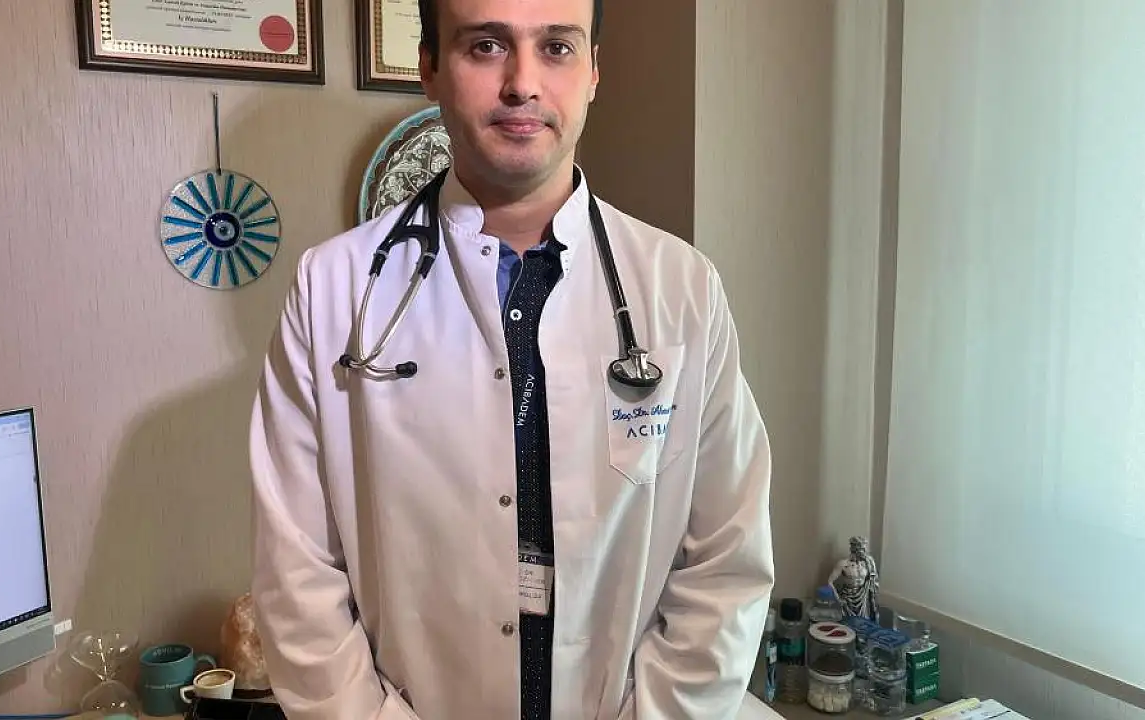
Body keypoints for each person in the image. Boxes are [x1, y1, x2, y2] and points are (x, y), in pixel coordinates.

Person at [247, 0, 775, 717]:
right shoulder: (331, 290)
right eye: (486, 46)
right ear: (429, 67)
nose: (523, 83)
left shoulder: (682, 289)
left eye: (557, 47)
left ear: (594, 71)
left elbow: (725, 562)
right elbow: (296, 578)